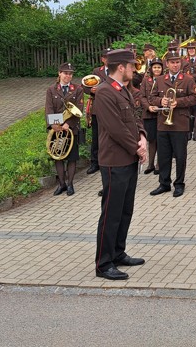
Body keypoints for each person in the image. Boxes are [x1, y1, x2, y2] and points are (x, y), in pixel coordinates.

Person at [94, 49, 147, 281]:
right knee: (111, 213)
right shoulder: (104, 92)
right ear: (121, 67)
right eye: (132, 66)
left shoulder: (122, 90)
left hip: (128, 158)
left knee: (125, 210)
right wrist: (137, 147)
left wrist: (142, 136)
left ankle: (117, 253)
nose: (134, 69)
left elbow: (134, 118)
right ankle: (104, 263)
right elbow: (115, 128)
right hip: (114, 161)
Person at [149, 49, 196, 197]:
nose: (175, 65)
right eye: (172, 62)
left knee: (180, 156)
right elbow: (151, 98)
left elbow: (195, 98)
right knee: (163, 156)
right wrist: (161, 101)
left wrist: (179, 102)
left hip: (180, 123)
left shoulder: (188, 79)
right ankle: (164, 183)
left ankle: (179, 184)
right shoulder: (159, 80)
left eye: (177, 62)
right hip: (163, 123)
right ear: (167, 64)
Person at [45, 62, 84, 196]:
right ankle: (61, 184)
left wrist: (69, 123)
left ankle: (70, 184)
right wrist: (54, 125)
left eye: (70, 74)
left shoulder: (78, 89)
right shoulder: (51, 90)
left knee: (72, 157)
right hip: (56, 128)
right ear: (59, 74)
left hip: (70, 129)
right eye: (66, 73)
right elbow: (49, 109)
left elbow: (79, 109)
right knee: (58, 157)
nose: (68, 76)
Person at [84, 47, 111, 176]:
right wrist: (91, 90)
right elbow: (85, 86)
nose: (108, 59)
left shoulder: (117, 70)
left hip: (111, 107)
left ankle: (109, 160)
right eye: (106, 57)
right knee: (96, 136)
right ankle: (95, 163)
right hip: (98, 108)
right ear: (102, 59)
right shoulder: (96, 71)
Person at [140, 58, 163, 175]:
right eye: (155, 67)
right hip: (149, 114)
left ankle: (159, 164)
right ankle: (150, 164)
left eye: (159, 67)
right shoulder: (146, 80)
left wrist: (158, 105)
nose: (157, 69)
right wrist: (148, 107)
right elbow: (142, 96)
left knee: (160, 139)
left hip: (161, 113)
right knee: (151, 139)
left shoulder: (164, 79)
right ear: (151, 68)